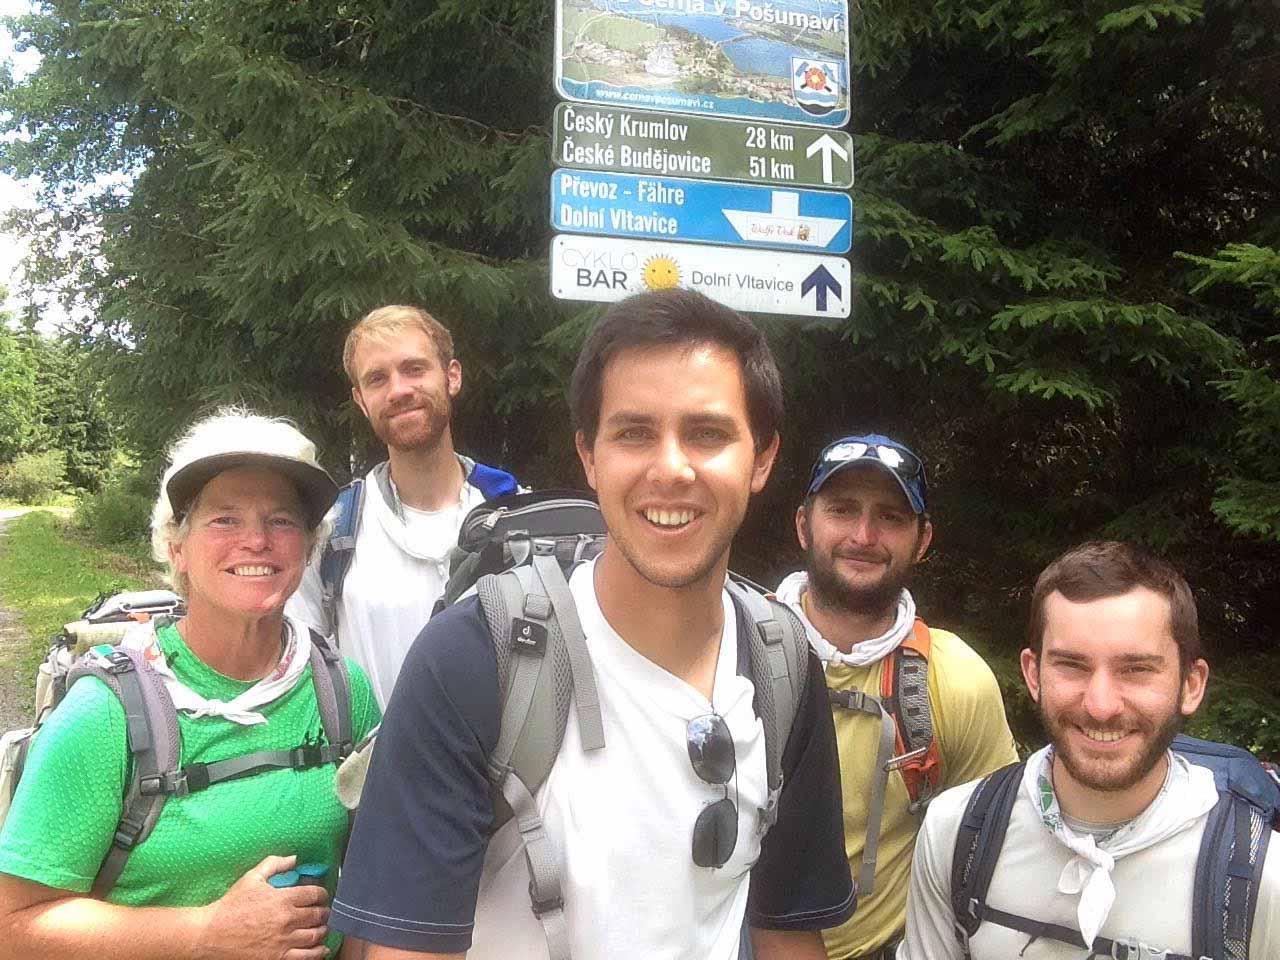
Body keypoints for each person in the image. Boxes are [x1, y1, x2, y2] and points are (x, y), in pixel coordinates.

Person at [332, 289, 855, 959]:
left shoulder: (780, 661)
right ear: (589, 456)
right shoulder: (472, 661)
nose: (671, 468)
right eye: (634, 432)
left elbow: (785, 931)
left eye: (707, 433)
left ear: (762, 459)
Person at [0, 408, 381, 960]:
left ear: (307, 546)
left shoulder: (343, 692)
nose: (256, 540)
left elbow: (381, 872)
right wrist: (206, 933)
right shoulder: (107, 713)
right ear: (177, 548)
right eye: (225, 519)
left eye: (281, 520)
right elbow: (13, 927)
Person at [899, 540, 1280, 959]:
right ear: (1034, 674)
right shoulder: (956, 833)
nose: (1100, 706)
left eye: (1136, 670)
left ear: (1191, 685)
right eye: (1072, 665)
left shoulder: (1260, 878)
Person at [775, 433, 1017, 960]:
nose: (864, 535)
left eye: (890, 516)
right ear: (802, 525)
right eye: (842, 509)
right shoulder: (733, 649)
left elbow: (992, 853)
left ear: (922, 540)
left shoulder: (955, 679)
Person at [288, 305, 518, 707]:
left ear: (452, 376)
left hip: (499, 769)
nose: (398, 390)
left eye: (414, 369)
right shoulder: (332, 530)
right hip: (373, 767)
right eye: (378, 379)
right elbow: (302, 669)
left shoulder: (515, 516)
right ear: (361, 400)